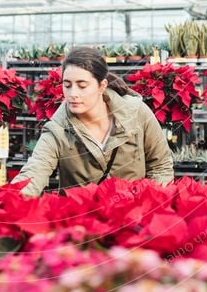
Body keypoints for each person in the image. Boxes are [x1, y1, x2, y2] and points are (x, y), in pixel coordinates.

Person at [13, 46, 174, 197]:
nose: (72, 93)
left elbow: (161, 166)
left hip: (135, 217)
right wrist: (9, 201)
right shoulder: (58, 129)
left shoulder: (137, 112)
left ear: (102, 86)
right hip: (83, 222)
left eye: (82, 86)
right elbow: (34, 172)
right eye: (67, 85)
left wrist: (148, 203)